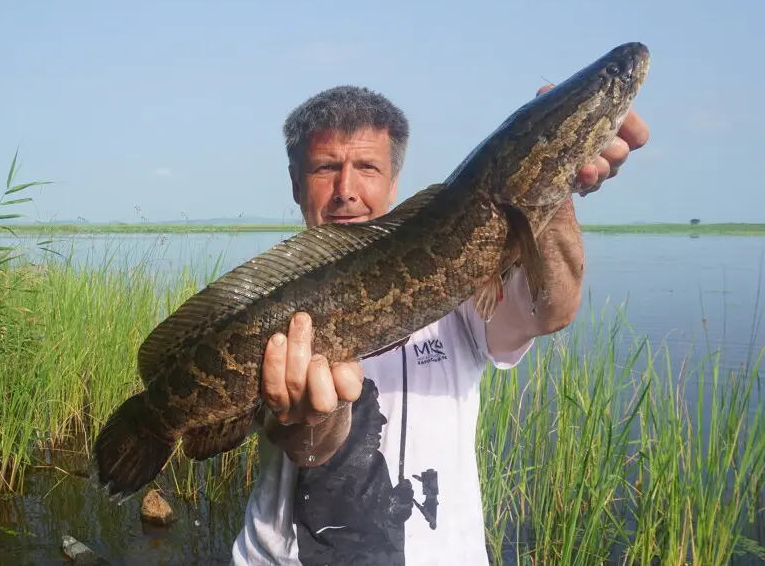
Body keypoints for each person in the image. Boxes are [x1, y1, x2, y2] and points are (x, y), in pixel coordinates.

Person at [231, 84, 649, 565]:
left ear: (394, 182)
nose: (346, 189)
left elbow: (550, 308)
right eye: (326, 167)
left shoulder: (462, 277)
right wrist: (314, 419)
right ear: (295, 184)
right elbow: (304, 445)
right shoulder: (270, 307)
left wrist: (556, 180)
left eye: (367, 167)